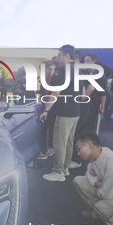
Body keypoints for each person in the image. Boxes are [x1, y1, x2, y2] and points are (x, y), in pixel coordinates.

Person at [39, 45, 81, 182]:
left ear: (67, 56)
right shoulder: (78, 70)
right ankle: (65, 168)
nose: (58, 59)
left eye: (59, 56)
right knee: (69, 142)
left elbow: (56, 92)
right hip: (75, 111)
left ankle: (58, 172)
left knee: (60, 143)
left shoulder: (64, 71)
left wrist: (46, 110)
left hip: (65, 113)